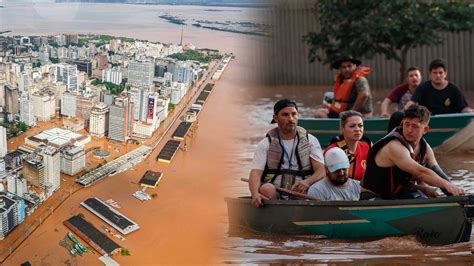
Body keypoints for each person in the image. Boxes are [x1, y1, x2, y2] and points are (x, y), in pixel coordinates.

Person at [360, 104, 464, 200]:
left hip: (398, 195)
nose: (409, 130)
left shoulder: (426, 148)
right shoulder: (394, 146)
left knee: (428, 199)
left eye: (414, 126)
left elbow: (437, 172)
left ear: (425, 130)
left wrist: (454, 193)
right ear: (402, 123)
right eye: (407, 124)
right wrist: (446, 185)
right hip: (373, 197)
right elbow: (421, 172)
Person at [249, 99, 326, 208]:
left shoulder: (311, 140)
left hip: (301, 191)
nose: (291, 119)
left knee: (305, 191)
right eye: (285, 115)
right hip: (274, 193)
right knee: (266, 188)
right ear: (275, 118)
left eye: (294, 114)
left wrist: (307, 182)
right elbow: (256, 173)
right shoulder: (266, 143)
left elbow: (321, 171)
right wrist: (255, 194)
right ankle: (274, 214)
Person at [405, 59, 473, 114]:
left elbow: (464, 108)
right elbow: (412, 102)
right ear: (430, 74)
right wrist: (404, 111)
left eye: (440, 73)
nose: (438, 75)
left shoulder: (454, 89)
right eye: (435, 73)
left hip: (450, 122)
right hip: (427, 122)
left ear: (445, 74)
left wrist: (469, 112)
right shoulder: (422, 88)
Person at [325, 110, 371, 181]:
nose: (357, 129)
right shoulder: (332, 151)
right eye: (352, 126)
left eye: (360, 126)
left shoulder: (367, 147)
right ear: (342, 129)